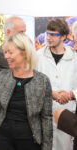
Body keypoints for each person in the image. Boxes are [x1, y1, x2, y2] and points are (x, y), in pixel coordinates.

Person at [0, 32, 53, 150]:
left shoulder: (42, 81)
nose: (6, 56)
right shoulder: (1, 77)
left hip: (30, 140)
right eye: (6, 52)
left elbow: (47, 117)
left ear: (24, 53)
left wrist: (47, 147)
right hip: (4, 138)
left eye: (10, 52)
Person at [37, 18, 77, 150]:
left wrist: (71, 95)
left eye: (54, 35)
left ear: (64, 36)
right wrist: (50, 93)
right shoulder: (38, 56)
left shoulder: (75, 58)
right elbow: (32, 84)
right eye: (48, 33)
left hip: (66, 114)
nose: (49, 38)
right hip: (43, 114)